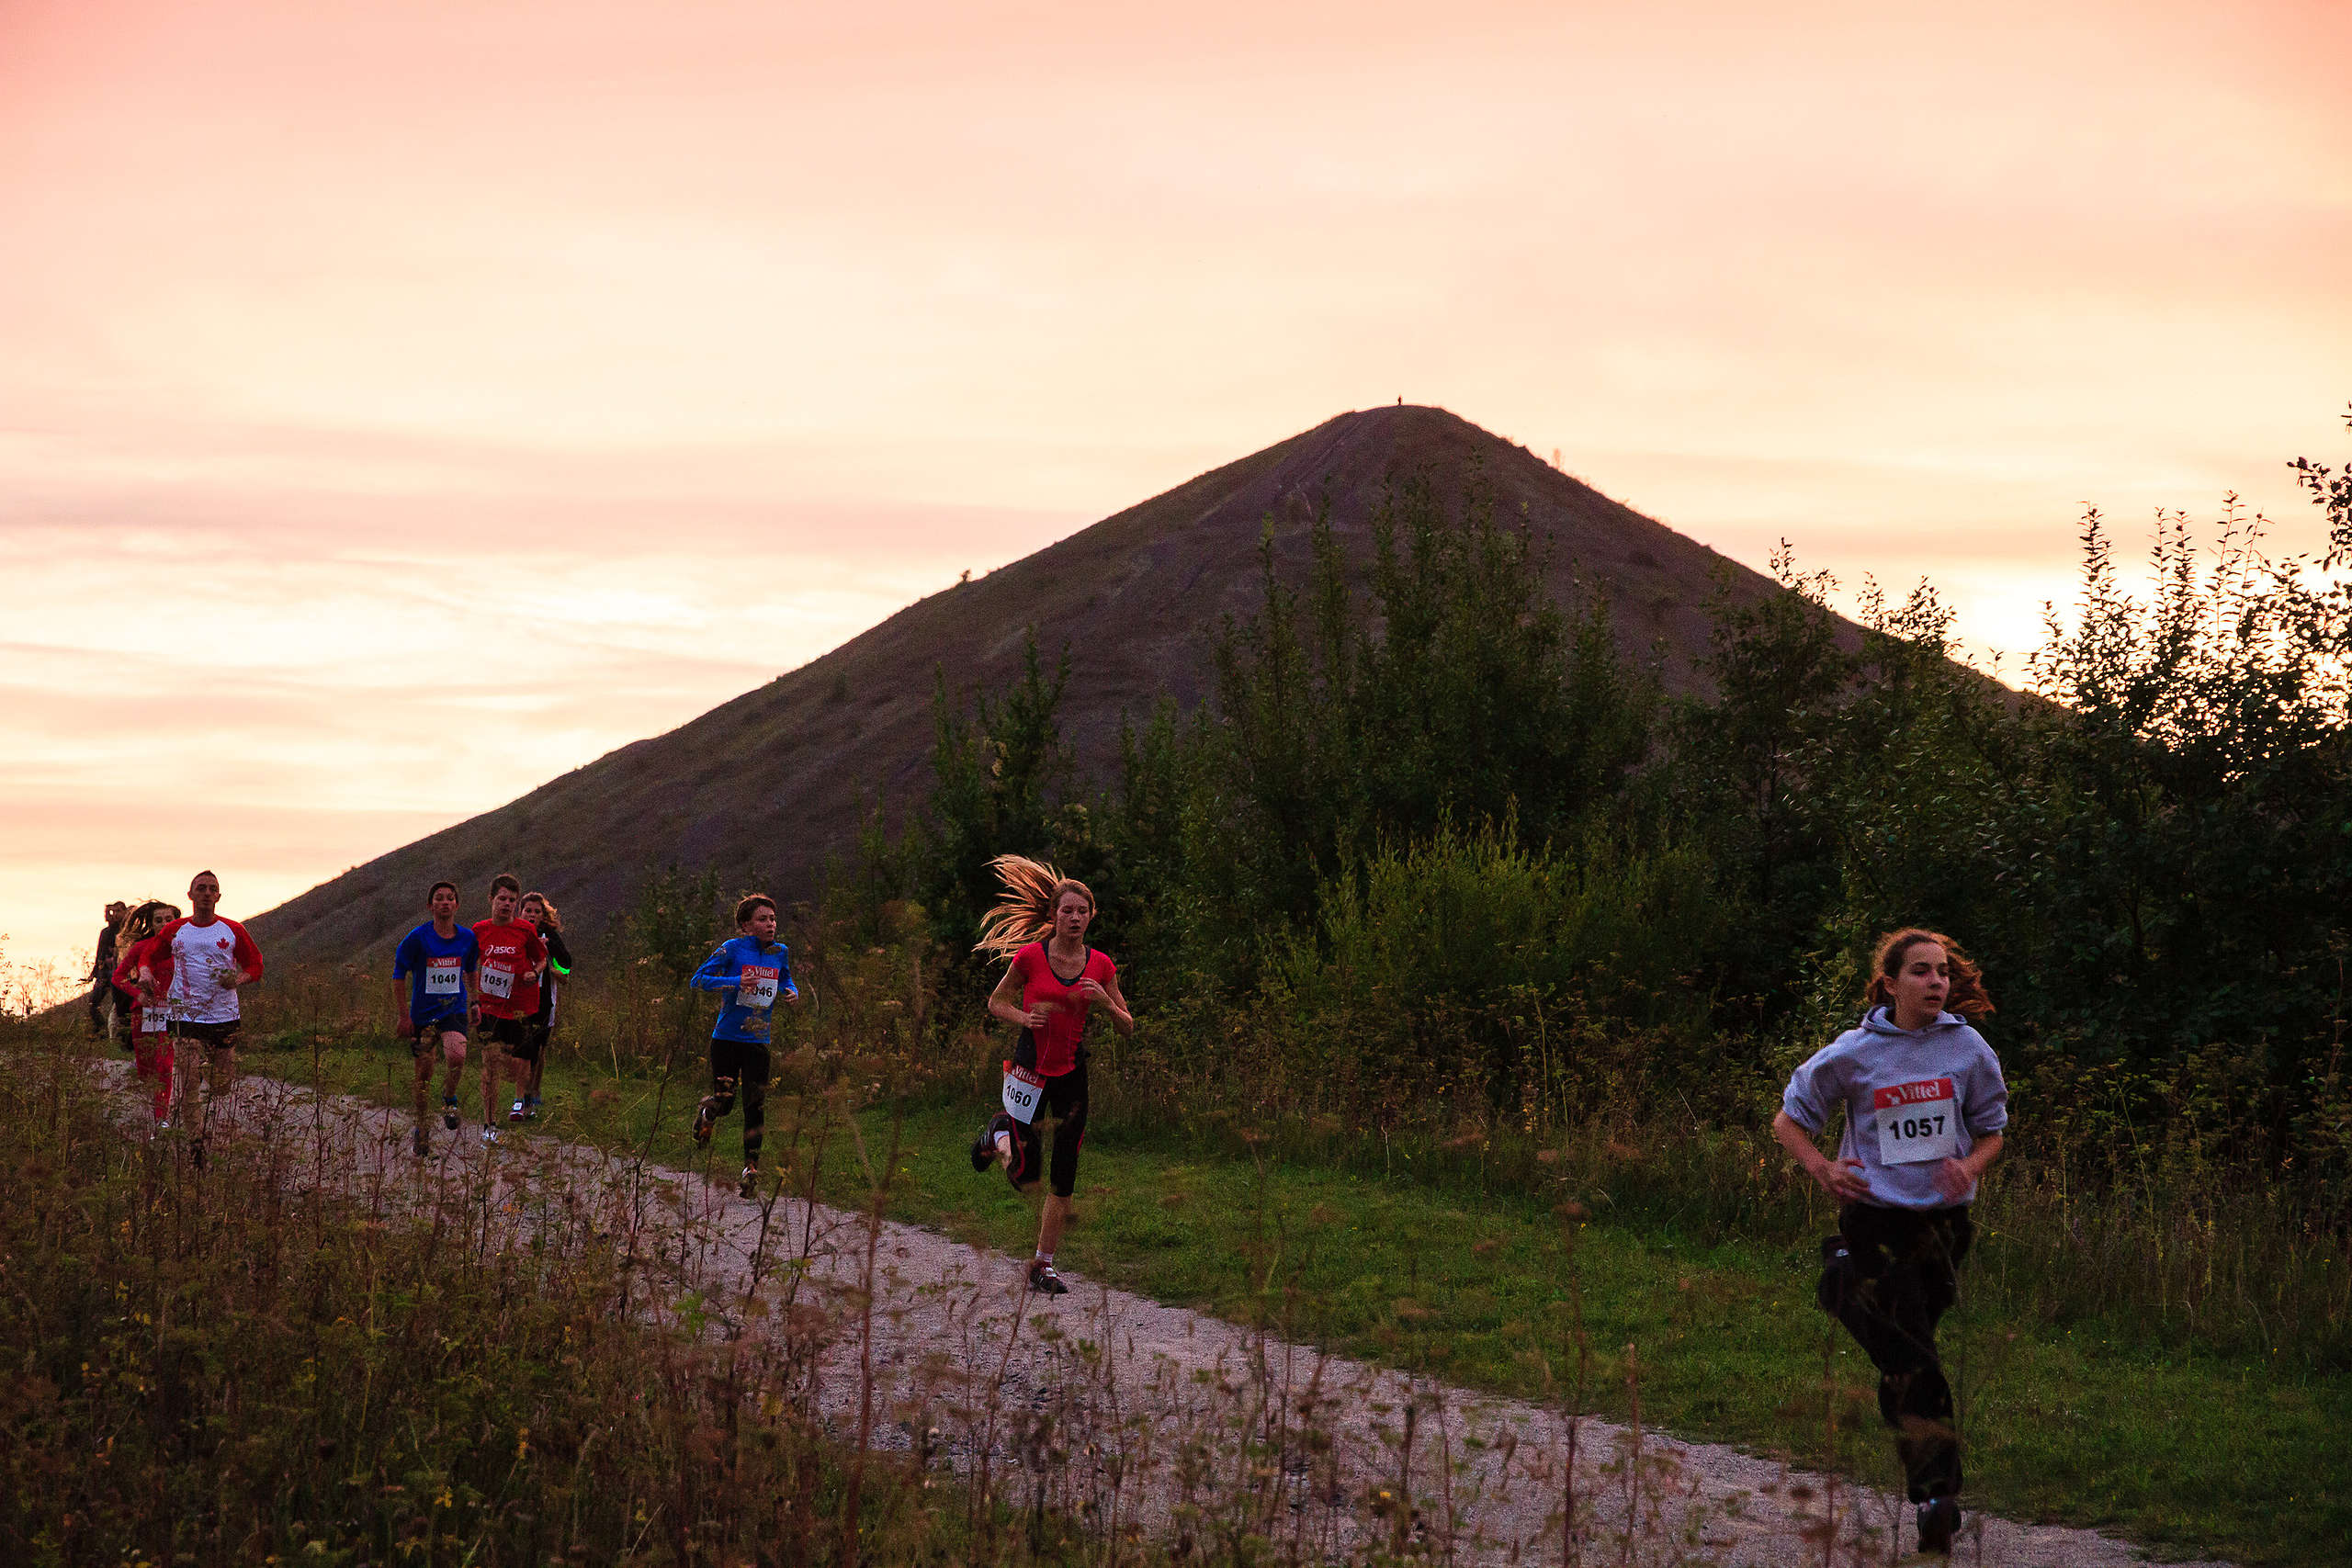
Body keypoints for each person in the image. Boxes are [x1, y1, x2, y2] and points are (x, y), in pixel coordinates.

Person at [1771, 929, 2008, 1556]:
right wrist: (1823, 1168)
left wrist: (1971, 1166)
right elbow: (1788, 1119)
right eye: (1923, 971)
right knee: (1911, 1348)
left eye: (1943, 973)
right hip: (1875, 1217)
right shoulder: (1854, 1053)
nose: (1937, 982)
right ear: (1891, 983)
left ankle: (1839, 1281)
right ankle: (1937, 1494)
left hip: (1944, 1226)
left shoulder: (1968, 1048)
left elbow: (1992, 1131)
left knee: (1906, 1353)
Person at [968, 855, 1134, 1297]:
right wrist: (1024, 1016)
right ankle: (996, 1135)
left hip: (1071, 1076)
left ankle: (1043, 1265)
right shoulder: (1029, 958)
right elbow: (995, 1003)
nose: (1075, 917)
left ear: (1091, 916)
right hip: (1028, 1070)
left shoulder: (1101, 965)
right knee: (1025, 1175)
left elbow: (1128, 1025)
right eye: (1067, 910)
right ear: (1053, 915)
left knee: (1064, 1173)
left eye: (1082, 911)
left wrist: (1105, 1001)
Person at [138, 872, 266, 1168]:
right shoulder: (175, 930)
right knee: (187, 1082)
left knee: (221, 1085)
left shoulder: (233, 930)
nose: (207, 893)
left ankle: (210, 1071)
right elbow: (148, 956)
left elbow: (256, 965)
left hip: (223, 1015)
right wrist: (145, 973)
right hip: (184, 1014)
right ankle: (196, 1144)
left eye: (213, 889)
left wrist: (239, 978)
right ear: (190, 895)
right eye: (201, 888)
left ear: (219, 897)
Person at [688, 894, 801, 1199]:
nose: (771, 924)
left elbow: (786, 980)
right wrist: (738, 981)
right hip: (726, 1039)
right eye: (763, 919)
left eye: (773, 919)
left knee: (755, 1105)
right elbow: (698, 980)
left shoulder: (780, 952)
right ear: (746, 926)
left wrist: (792, 992)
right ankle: (708, 1114)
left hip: (758, 1041)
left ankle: (751, 1168)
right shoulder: (732, 948)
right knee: (726, 1103)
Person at [393, 880, 480, 1156]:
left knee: (457, 1056)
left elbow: (470, 969)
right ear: (430, 906)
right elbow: (398, 975)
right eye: (439, 898)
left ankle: (449, 1098)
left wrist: (475, 1000)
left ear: (456, 905)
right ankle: (422, 1125)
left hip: (453, 1009)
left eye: (450, 898)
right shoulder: (417, 938)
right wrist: (403, 1016)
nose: (445, 902)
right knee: (424, 1073)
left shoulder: (467, 938)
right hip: (423, 1014)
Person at [469, 874, 548, 1146]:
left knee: (516, 1070)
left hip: (521, 1008)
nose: (507, 904)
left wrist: (534, 973)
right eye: (502, 899)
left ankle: (518, 1096)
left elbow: (542, 958)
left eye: (512, 900)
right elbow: (470, 965)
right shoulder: (479, 930)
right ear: (491, 899)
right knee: (490, 1065)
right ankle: (489, 1125)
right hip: (490, 1007)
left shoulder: (526, 930)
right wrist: (471, 999)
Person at [110, 900, 182, 1129]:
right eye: (158, 920)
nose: (164, 924)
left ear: (176, 922)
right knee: (146, 1069)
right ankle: (155, 1107)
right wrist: (137, 995)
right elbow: (117, 978)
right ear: (151, 924)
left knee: (165, 1064)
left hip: (172, 1011)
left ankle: (162, 1116)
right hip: (144, 1013)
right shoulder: (141, 948)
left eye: (168, 920)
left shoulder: (183, 948)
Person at [511, 891, 572, 1122]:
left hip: (545, 999)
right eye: (528, 911)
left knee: (538, 1048)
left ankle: (531, 1093)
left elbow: (566, 967)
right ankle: (524, 1094)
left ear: (543, 915)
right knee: (521, 1047)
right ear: (521, 912)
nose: (532, 915)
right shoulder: (513, 931)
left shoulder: (551, 936)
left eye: (537, 912)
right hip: (518, 998)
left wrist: (549, 966)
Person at [88, 900, 129, 1040]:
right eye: (113, 911)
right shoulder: (106, 932)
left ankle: (119, 1035)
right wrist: (94, 972)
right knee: (93, 1003)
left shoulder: (126, 931)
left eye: (118, 911)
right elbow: (100, 952)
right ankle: (101, 1031)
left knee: (117, 1005)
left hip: (118, 972)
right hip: (104, 972)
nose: (115, 914)